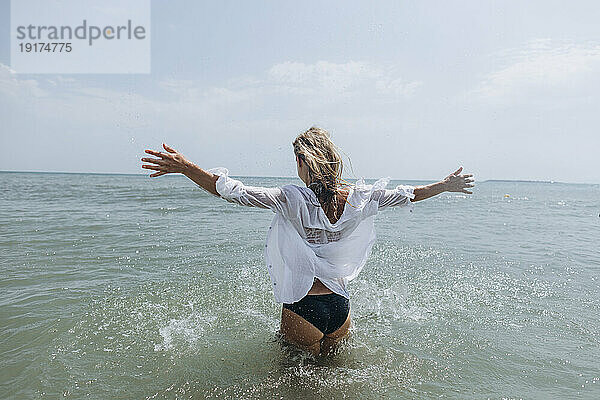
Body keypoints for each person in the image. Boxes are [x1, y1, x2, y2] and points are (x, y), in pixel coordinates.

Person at [141, 126, 474, 356]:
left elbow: (233, 191)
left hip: (304, 306)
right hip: (340, 307)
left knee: (293, 384)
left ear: (302, 162)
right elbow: (408, 195)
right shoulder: (360, 198)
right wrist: (445, 185)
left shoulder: (291, 199)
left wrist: (186, 167)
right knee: (335, 379)